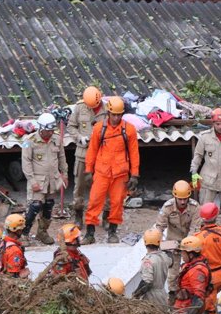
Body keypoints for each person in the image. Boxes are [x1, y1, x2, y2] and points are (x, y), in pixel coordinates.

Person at [84, 96, 140, 244]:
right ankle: (90, 234)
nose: (116, 117)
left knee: (117, 204)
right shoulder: (99, 129)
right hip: (102, 172)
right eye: (113, 114)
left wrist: (134, 175)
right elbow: (92, 150)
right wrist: (88, 170)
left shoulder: (129, 130)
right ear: (108, 113)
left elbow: (134, 153)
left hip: (120, 174)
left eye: (119, 115)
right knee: (94, 202)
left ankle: (112, 233)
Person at [21, 112, 68, 245]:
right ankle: (24, 234)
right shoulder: (30, 141)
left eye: (52, 129)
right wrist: (32, 181)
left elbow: (62, 158)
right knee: (34, 206)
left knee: (48, 206)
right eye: (48, 130)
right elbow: (26, 163)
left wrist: (64, 174)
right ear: (41, 129)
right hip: (37, 180)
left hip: (52, 180)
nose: (51, 132)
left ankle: (42, 232)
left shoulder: (56, 139)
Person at [67, 86, 109, 227]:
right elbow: (71, 126)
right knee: (79, 187)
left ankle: (106, 217)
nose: (91, 108)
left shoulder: (108, 109)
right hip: (83, 155)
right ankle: (78, 217)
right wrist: (80, 137)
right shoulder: (79, 108)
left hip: (101, 155)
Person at [155, 180, 201, 302]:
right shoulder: (167, 207)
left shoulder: (195, 207)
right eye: (179, 199)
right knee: (173, 274)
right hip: (172, 243)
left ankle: (190, 296)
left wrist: (185, 246)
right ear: (174, 196)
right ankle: (172, 296)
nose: (182, 202)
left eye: (185, 199)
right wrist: (160, 242)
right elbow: (159, 227)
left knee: (192, 270)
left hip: (190, 243)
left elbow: (195, 229)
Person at [173, 235, 210, 314]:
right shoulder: (190, 265)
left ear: (191, 254)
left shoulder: (197, 270)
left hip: (186, 310)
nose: (181, 255)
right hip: (182, 307)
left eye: (183, 252)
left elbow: (199, 299)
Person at [132, 229, 173, 305]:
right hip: (162, 295)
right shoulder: (164, 257)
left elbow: (147, 282)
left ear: (145, 242)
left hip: (152, 298)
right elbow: (171, 260)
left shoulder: (148, 260)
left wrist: (135, 294)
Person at [0, 214, 30, 278]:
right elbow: (12, 276)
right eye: (21, 229)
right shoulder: (14, 250)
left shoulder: (0, 242)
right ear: (18, 230)